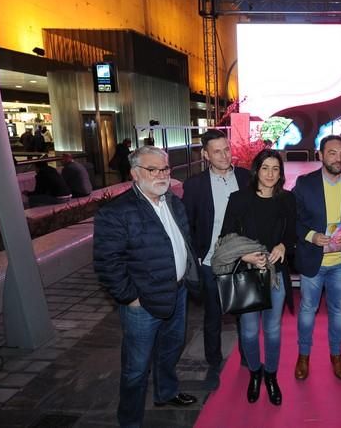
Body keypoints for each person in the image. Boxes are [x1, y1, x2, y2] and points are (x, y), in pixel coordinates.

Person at [93, 146, 200, 428]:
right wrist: (130, 298)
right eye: (153, 170)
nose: (162, 175)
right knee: (136, 369)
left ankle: (166, 393)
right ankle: (130, 422)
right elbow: (107, 263)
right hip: (143, 304)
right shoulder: (117, 212)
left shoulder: (173, 201)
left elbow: (183, 241)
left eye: (165, 169)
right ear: (135, 173)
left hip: (177, 293)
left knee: (170, 350)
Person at [220, 149, 297, 405]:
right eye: (265, 168)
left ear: (281, 173)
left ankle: (271, 376)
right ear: (256, 170)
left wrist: (284, 246)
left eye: (275, 169)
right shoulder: (239, 199)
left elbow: (293, 234)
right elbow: (226, 236)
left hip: (275, 275)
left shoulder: (287, 199)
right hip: (248, 274)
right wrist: (245, 256)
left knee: (273, 331)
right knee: (250, 332)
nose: (270, 174)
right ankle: (255, 372)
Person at [181, 129, 250, 391]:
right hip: (210, 263)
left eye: (227, 149)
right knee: (213, 317)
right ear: (205, 154)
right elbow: (188, 223)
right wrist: (196, 259)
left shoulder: (245, 178)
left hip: (242, 261)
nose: (224, 155)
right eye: (217, 151)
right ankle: (213, 361)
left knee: (246, 315)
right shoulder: (195, 185)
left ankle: (248, 358)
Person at [292, 135, 341, 381]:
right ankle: (303, 355)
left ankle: (337, 355)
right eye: (332, 153)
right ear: (320, 155)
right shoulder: (305, 183)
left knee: (337, 310)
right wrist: (311, 236)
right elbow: (294, 219)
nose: (338, 158)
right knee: (308, 309)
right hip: (314, 260)